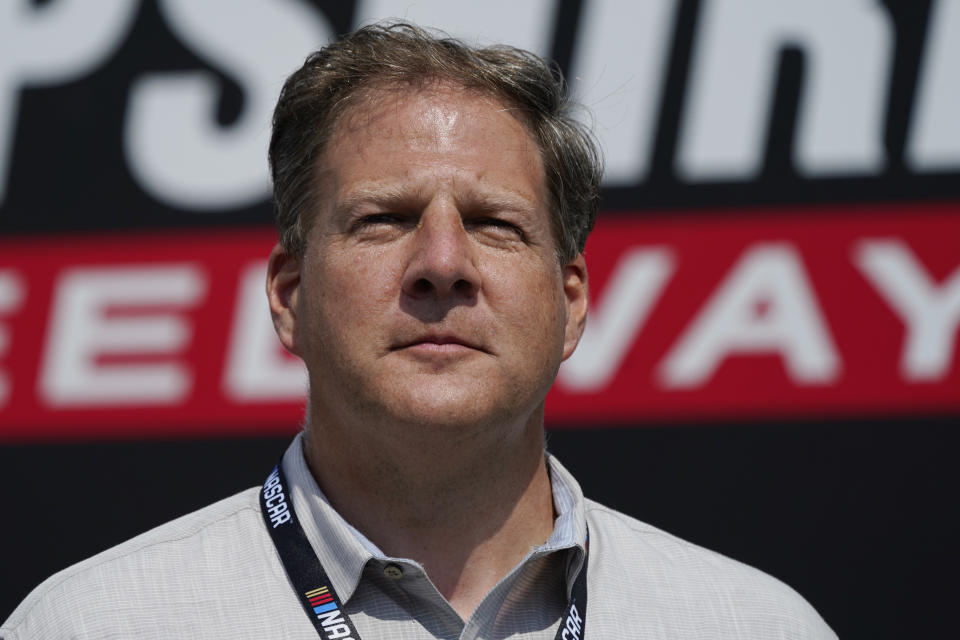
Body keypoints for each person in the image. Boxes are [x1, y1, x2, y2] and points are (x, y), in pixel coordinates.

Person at [2, 23, 835, 639]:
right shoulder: (92, 624)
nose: (443, 263)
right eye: (385, 219)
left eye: (494, 223)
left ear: (571, 301)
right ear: (289, 294)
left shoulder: (756, 625)